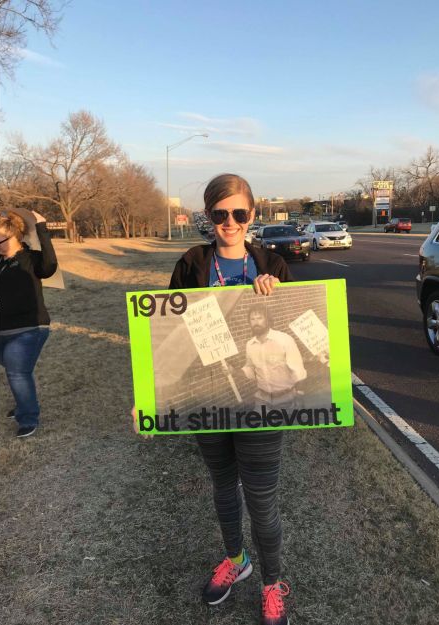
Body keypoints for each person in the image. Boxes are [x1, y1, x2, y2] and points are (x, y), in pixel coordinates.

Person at [167, 173, 293, 625]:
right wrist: (153, 393)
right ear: (208, 216)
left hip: (262, 399)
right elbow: (168, 330)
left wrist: (275, 297)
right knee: (223, 486)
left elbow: (294, 324)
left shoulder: (272, 265)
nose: (230, 222)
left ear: (252, 215)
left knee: (261, 497)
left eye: (239, 213)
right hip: (209, 396)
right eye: (221, 214)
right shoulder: (191, 262)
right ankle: (236, 560)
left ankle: (271, 583)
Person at [0, 209, 58, 438]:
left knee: (17, 371)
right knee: (14, 368)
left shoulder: (32, 259)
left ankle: (28, 417)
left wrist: (41, 227)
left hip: (29, 328)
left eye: (0, 241)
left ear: (15, 237)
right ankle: (24, 402)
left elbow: (50, 264)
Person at [242, 303, 307, 414]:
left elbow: (298, 370)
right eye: (252, 319)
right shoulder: (250, 344)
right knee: (261, 429)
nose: (256, 322)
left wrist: (300, 394)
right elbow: (250, 370)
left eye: (259, 318)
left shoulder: (284, 339)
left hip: (286, 398)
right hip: (262, 399)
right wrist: (232, 371)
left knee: (285, 428)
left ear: (268, 320)